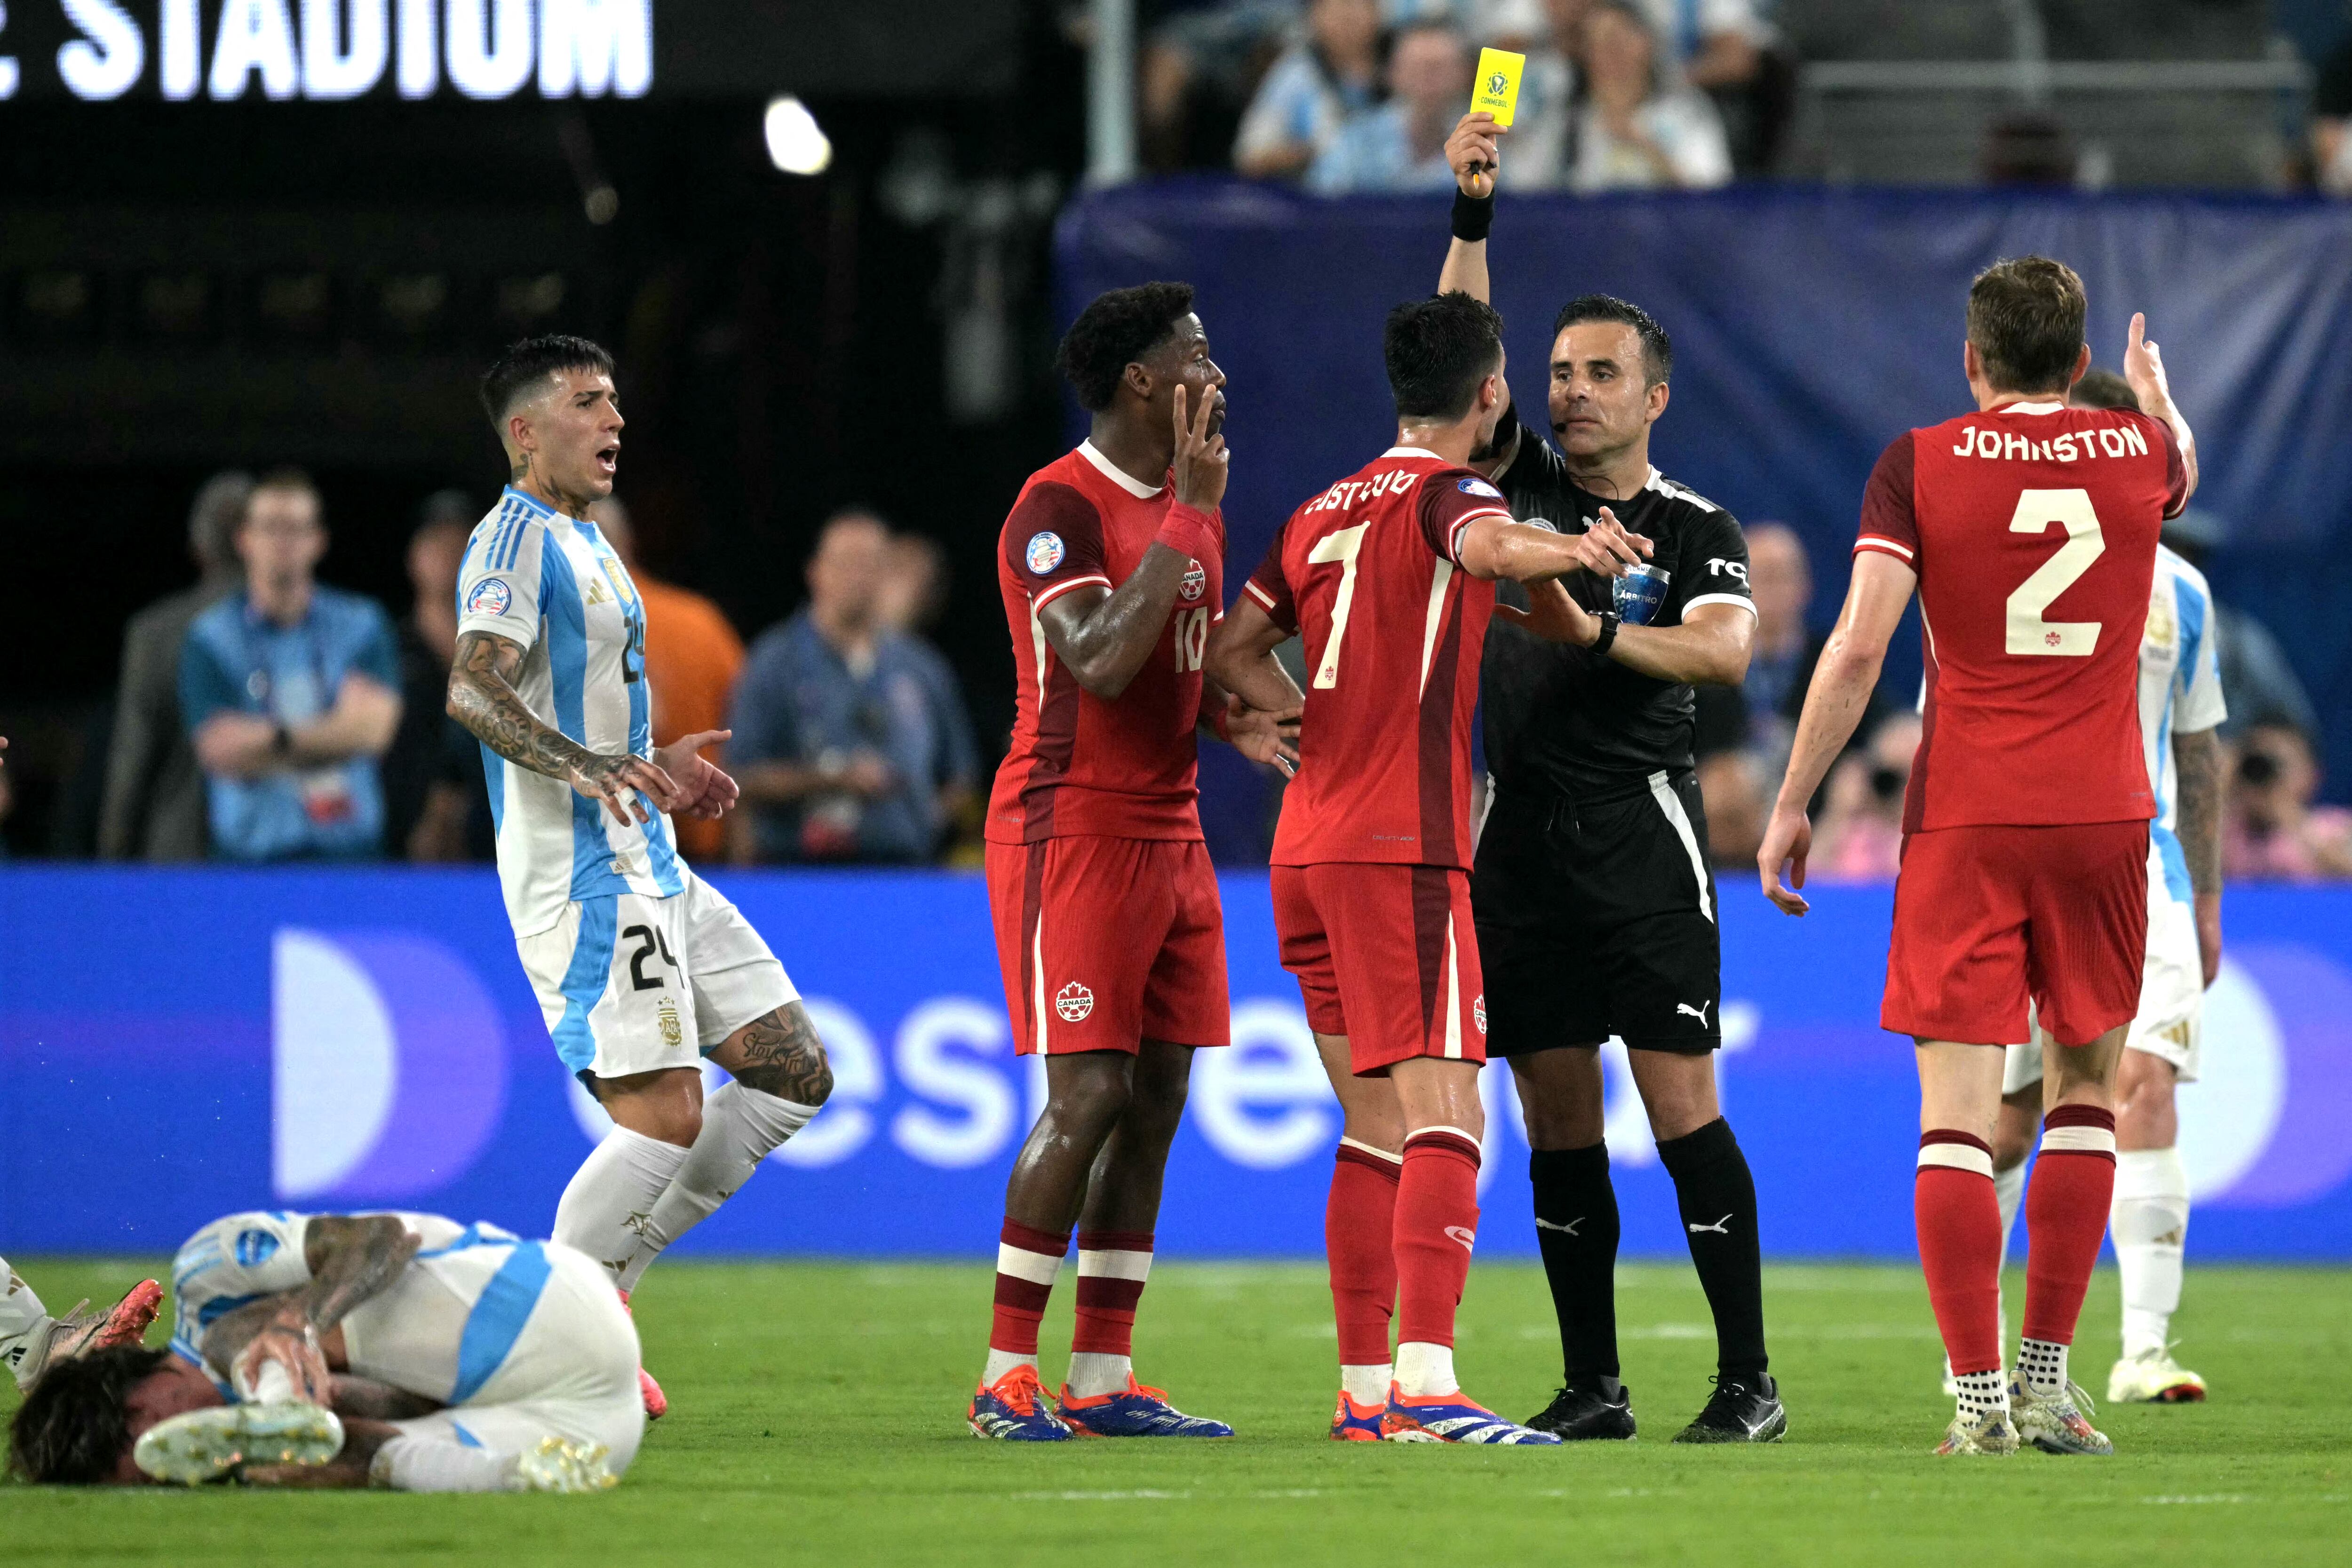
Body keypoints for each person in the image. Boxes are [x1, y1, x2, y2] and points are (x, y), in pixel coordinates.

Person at [1759, 259, 2197, 1457]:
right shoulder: (2137, 459)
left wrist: (1795, 798)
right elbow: (2182, 465)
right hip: (2104, 814)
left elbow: (1856, 646)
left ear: (1971, 360)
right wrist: (2154, 397)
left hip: (1966, 815)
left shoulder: (1917, 463)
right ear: (2078, 360)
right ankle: (2051, 1382)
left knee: (1954, 1121)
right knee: (2082, 1100)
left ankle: (1977, 1404)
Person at [1209, 290, 1653, 1447]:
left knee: (1372, 1127)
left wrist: (1294, 718)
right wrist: (1575, 543)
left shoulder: (1317, 510)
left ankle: (1366, 1392)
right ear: (1492, 392)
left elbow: (1228, 651)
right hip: (1400, 854)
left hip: (1302, 851)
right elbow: (1487, 542)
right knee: (1448, 1109)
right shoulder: (1450, 491)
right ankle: (1427, 1380)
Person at [1437, 113, 1779, 1444]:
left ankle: (1748, 1379)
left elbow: (1723, 648)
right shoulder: (1516, 484)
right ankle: (1595, 1383)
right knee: (1554, 1113)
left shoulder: (1696, 525)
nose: (1571, 390)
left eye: (1601, 372)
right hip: (1518, 829)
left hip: (1642, 834)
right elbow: (1463, 358)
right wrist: (1472, 219)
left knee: (1682, 1098)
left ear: (1655, 396)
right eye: (1562, 370)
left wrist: (1592, 633)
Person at [446, 335, 836, 1421]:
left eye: (617, 398)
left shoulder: (583, 538)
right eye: (586, 403)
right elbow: (472, 691)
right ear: (526, 432)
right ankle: (546, 1334)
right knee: (663, 1114)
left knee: (793, 1073)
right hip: (582, 877)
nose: (614, 420)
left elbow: (582, 703)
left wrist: (658, 772)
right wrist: (589, 771)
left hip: (647, 857)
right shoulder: (512, 539)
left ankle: (597, 1289)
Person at [966, 282, 1295, 1442]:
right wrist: (1194, 520)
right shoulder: (1055, 506)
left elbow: (1169, 658)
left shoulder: (1172, 503)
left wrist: (1231, 718)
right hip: (1074, 823)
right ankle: (1006, 1376)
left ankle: (1100, 1378)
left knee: (1156, 1101)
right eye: (1197, 355)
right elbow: (1100, 661)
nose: (1218, 374)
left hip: (1171, 825)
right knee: (1090, 1091)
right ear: (1144, 381)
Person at [1950, 366, 2229, 1412]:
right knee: (2014, 1116)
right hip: (2018, 860)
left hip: (2143, 875)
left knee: (2140, 1085)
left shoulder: (2181, 591)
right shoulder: (1999, 564)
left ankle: (2143, 1348)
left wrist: (2203, 897)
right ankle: (1978, 1349)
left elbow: (2197, 752)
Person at [8, 1211, 631, 1491]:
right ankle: (516, 1475)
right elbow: (405, 1402)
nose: (180, 1460)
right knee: (338, 1458)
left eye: (154, 1445)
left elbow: (385, 1237)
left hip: (543, 1304)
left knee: (237, 1343)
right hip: (594, 1428)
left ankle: (283, 1392)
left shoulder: (207, 1273)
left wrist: (300, 1320)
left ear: (136, 1406)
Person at [179, 470, 404, 862]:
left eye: (297, 528)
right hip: (246, 864)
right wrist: (332, 735)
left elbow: (372, 730)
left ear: (319, 541)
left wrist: (270, 742)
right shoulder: (211, 637)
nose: (283, 541)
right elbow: (220, 749)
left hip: (350, 860)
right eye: (270, 527)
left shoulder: (360, 625)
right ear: (244, 539)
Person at [730, 512, 970, 865]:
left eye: (872, 564)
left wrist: (923, 817)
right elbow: (739, 777)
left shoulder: (920, 666)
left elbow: (960, 773)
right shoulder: (775, 662)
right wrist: (830, 779)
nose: (858, 577)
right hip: (797, 875)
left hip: (905, 874)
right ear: (815, 571)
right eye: (846, 563)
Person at [99, 471, 253, 861]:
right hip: (284, 866)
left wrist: (111, 860)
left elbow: (132, 761)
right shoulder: (308, 628)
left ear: (197, 549)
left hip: (177, 859)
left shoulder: (156, 633)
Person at [588, 496, 747, 863]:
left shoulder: (550, 636)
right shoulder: (700, 622)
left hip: (603, 847)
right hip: (700, 841)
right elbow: (744, 741)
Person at [382, 491, 493, 860]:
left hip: (492, 855)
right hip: (395, 855)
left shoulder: (510, 654)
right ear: (414, 556)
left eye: (462, 542)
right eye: (436, 543)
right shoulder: (389, 652)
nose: (449, 555)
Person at [876, 530, 984, 858]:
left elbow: (963, 774)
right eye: (900, 571)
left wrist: (927, 818)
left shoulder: (928, 668)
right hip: (805, 861)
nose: (913, 588)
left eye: (926, 581)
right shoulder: (792, 657)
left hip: (911, 862)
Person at [1565, 1, 1731, 193]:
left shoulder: (1688, 111)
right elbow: (1532, 192)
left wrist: (1644, 146)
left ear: (1645, 43)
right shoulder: (1569, 117)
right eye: (1595, 46)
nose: (1609, 56)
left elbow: (1715, 201)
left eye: (1616, 41)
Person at [1307, 19, 1471, 194]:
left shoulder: (1487, 144)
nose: (1428, 81)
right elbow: (1322, 205)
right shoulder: (1354, 141)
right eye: (1416, 68)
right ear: (1393, 73)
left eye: (1439, 68)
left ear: (1465, 74)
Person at [1233, 0, 1387, 182]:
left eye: (1357, 7)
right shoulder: (1296, 75)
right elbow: (1251, 155)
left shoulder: (1400, 67)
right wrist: (1316, 152)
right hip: (1316, 199)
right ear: (1314, 17)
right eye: (1336, 9)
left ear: (1378, 14)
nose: (1348, 19)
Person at [2223, 723, 2352, 880]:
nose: (2266, 777)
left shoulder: (2337, 827)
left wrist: (2293, 821)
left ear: (2311, 774)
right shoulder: (2226, 832)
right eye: (2257, 765)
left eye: (2278, 764)